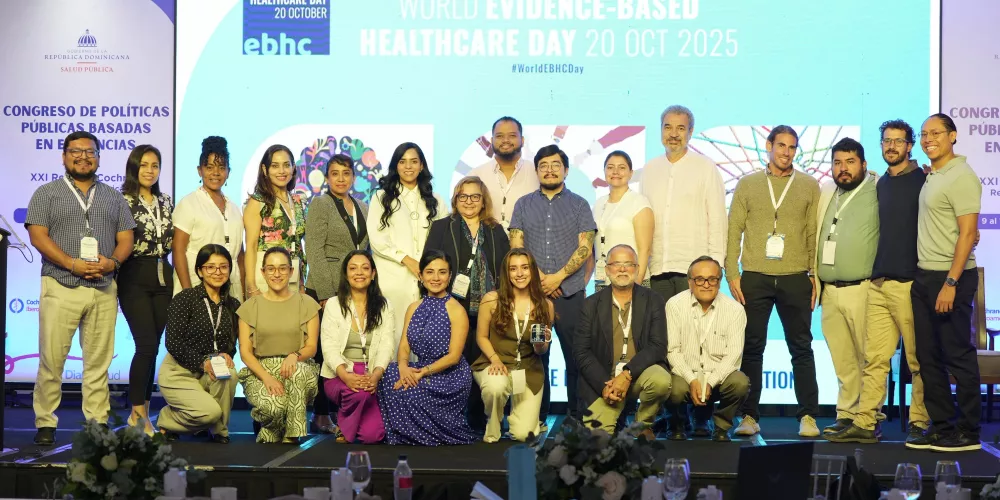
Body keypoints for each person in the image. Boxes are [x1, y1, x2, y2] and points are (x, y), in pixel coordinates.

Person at [26, 131, 136, 446]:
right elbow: (38, 235)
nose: (83, 157)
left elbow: (126, 237)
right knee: (51, 359)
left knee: (98, 362)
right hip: (61, 284)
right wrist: (70, 263)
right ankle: (46, 422)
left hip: (103, 286)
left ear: (99, 158)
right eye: (76, 151)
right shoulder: (46, 193)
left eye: (90, 152)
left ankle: (97, 423)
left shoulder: (114, 196)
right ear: (64, 156)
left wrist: (113, 262)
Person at [837, 120, 930, 445]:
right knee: (874, 359)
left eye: (898, 141)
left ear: (910, 145)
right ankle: (866, 422)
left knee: (918, 360)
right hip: (878, 284)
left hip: (910, 285)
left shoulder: (925, 180)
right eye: (886, 141)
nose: (891, 146)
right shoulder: (880, 184)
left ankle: (919, 422)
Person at [726, 125, 822, 438]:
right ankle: (749, 416)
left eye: (792, 147)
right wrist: (732, 272)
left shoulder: (809, 185)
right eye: (781, 145)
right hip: (754, 276)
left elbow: (813, 233)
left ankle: (808, 416)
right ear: (769, 146)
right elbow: (734, 230)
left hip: (796, 276)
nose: (786, 152)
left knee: (802, 348)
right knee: (752, 348)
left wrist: (814, 274)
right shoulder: (748, 184)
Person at [639, 105, 726, 437]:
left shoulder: (705, 169)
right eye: (667, 127)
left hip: (696, 273)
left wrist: (714, 267)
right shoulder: (649, 170)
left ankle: (702, 415)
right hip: (658, 268)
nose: (673, 133)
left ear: (690, 132)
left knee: (699, 345)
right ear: (660, 130)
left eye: (680, 127)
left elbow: (717, 219)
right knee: (664, 344)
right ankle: (674, 416)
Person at [906, 113, 982, 452]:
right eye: (923, 134)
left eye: (935, 132)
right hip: (924, 275)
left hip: (951, 276)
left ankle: (968, 431)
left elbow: (968, 233)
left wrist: (950, 282)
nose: (927, 138)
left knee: (957, 354)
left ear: (953, 136)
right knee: (928, 356)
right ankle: (942, 427)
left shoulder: (962, 176)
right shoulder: (933, 174)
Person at [509, 144, 597, 424]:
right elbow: (516, 246)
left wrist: (558, 278)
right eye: (543, 165)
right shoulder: (523, 204)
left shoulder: (580, 204)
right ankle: (538, 414)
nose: (549, 169)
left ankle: (577, 416)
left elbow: (586, 247)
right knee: (538, 355)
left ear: (566, 170)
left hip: (570, 295)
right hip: (534, 299)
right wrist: (538, 283)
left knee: (576, 356)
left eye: (555, 164)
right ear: (536, 171)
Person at [424, 176, 510, 432]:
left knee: (481, 362)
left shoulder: (495, 229)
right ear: (455, 200)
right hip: (452, 308)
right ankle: (449, 419)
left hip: (488, 309)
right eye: (463, 196)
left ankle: (480, 418)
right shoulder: (442, 227)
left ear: (483, 201)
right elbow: (428, 264)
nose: (469, 202)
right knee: (454, 361)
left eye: (475, 196)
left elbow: (505, 268)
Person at [809, 138, 880, 441]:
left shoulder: (879, 188)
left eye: (850, 162)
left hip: (863, 288)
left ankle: (869, 417)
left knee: (868, 357)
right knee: (842, 359)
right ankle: (846, 414)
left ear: (863, 164)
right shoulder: (827, 191)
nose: (843, 168)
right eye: (838, 162)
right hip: (830, 291)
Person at [378, 250, 478, 446]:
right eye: (430, 272)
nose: (435, 278)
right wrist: (404, 367)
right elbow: (404, 346)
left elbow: (454, 357)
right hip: (419, 369)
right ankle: (408, 434)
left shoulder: (456, 310)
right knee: (389, 373)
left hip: (450, 376)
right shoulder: (414, 307)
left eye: (442, 272)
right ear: (421, 275)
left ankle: (425, 434)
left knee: (409, 391)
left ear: (449, 277)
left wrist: (421, 373)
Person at [575, 244, 670, 439]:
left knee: (661, 380)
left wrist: (627, 375)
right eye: (616, 264)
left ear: (636, 268)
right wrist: (605, 386)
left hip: (639, 374)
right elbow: (581, 352)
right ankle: (617, 418)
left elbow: (658, 346)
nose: (622, 269)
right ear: (607, 270)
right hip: (605, 380)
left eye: (628, 264)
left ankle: (642, 424)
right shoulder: (590, 304)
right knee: (598, 441)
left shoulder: (654, 300)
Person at [304, 153, 369, 434]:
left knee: (346, 348)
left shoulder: (362, 206)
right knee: (322, 351)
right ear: (327, 177)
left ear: (354, 177)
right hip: (326, 286)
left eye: (346, 173)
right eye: (335, 173)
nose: (341, 178)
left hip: (354, 285)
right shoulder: (320, 204)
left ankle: (342, 411)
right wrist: (326, 293)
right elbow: (315, 250)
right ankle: (319, 415)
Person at [237, 247, 321, 444]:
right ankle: (273, 427)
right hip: (261, 370)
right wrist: (266, 378)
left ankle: (293, 435)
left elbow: (312, 347)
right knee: (274, 408)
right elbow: (245, 352)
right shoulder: (250, 307)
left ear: (292, 272)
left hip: (297, 369)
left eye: (283, 268)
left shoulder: (307, 303)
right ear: (263, 272)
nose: (277, 274)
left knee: (298, 371)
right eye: (271, 269)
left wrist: (295, 356)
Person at [367, 142, 445, 354]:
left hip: (428, 281)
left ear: (422, 166)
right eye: (403, 162)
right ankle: (390, 384)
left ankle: (421, 385)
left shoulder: (435, 200)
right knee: (391, 334)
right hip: (393, 279)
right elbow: (377, 239)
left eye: (414, 161)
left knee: (426, 336)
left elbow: (443, 239)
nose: (408, 166)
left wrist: (430, 268)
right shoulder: (381, 197)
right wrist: (407, 259)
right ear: (395, 166)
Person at [118, 144, 174, 436]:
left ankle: (145, 411)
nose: (150, 171)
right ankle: (136, 412)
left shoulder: (165, 200)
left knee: (154, 348)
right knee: (146, 346)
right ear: (134, 167)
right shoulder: (121, 200)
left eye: (155, 165)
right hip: (134, 274)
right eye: (144, 165)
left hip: (164, 274)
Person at [158, 244, 240, 443]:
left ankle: (218, 430)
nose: (217, 272)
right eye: (210, 267)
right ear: (199, 271)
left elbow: (230, 344)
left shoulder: (233, 305)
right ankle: (167, 419)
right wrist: (203, 362)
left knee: (229, 373)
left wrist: (227, 354)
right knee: (209, 413)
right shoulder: (185, 299)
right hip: (179, 371)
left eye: (223, 267)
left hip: (210, 371)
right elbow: (173, 342)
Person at [471, 248, 554, 442]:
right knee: (496, 386)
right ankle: (493, 421)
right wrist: (495, 360)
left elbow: (541, 351)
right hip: (495, 364)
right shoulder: (491, 299)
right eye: (513, 269)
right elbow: (481, 336)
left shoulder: (546, 305)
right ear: (506, 273)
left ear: (532, 270)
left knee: (524, 435)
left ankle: (519, 419)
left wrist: (542, 344)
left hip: (528, 370)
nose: (519, 274)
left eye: (525, 268)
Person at [664, 256, 749, 442]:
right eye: (699, 279)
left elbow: (733, 355)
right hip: (685, 375)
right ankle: (677, 424)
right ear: (690, 282)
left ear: (719, 282)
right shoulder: (674, 305)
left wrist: (710, 381)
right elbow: (673, 351)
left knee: (740, 383)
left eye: (712, 279)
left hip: (718, 377)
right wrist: (692, 379)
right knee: (674, 387)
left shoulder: (734, 310)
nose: (706, 284)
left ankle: (721, 426)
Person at [321, 250, 395, 444]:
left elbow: (387, 344)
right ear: (346, 274)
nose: (359, 273)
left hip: (373, 374)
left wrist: (376, 375)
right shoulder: (333, 304)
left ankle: (344, 425)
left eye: (365, 268)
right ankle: (346, 421)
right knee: (359, 393)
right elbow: (328, 347)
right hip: (339, 373)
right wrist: (346, 376)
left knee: (374, 436)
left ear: (373, 274)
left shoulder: (384, 305)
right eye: (353, 268)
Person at [172, 136, 246, 300]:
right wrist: (188, 293)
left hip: (231, 289)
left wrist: (244, 294)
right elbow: (178, 249)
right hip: (196, 285)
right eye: (209, 167)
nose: (216, 173)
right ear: (200, 170)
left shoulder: (234, 208)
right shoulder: (189, 203)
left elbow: (240, 255)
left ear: (228, 171)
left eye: (221, 167)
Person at [244, 145, 307, 296]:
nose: (281, 171)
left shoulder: (297, 201)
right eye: (275, 166)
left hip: (292, 275)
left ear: (293, 169)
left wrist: (301, 283)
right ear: (265, 170)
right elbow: (251, 246)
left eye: (286, 165)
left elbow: (298, 246)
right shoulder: (258, 201)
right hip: (266, 276)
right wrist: (251, 285)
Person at [593, 150, 653, 292]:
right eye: (610, 167)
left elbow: (645, 250)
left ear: (631, 173)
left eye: (621, 168)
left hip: (632, 280)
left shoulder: (639, 202)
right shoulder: (598, 204)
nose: (615, 172)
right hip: (603, 279)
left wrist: (636, 286)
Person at [468, 116, 539, 231]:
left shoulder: (536, 173)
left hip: (527, 246)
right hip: (485, 245)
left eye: (512, 136)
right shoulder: (476, 175)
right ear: (491, 141)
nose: (505, 140)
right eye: (499, 136)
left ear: (523, 140)